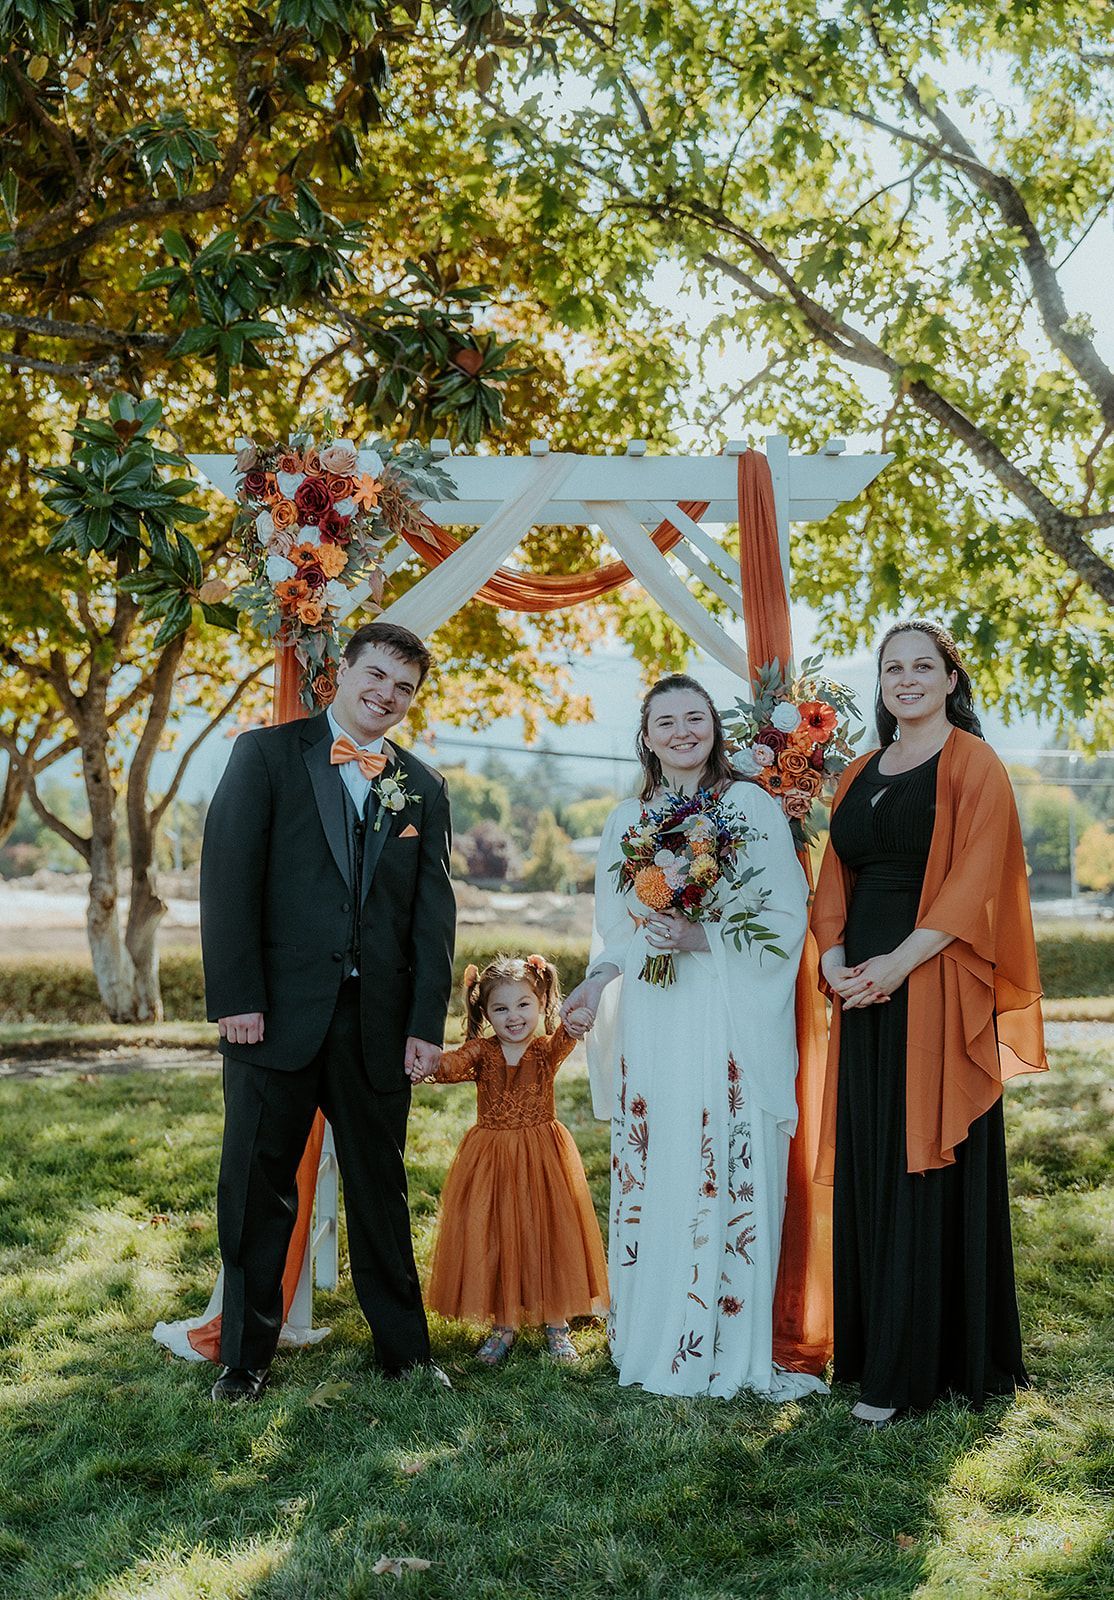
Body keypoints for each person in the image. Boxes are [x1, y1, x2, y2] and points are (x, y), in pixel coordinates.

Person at [199, 620, 455, 1401]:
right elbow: (227, 881)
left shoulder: (423, 786)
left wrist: (423, 1025)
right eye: (375, 676)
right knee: (255, 1186)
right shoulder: (265, 755)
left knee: (382, 1185)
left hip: (376, 1022)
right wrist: (236, 1000)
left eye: (403, 688)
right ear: (341, 672)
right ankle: (244, 1361)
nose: (386, 695)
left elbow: (431, 916)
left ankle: (405, 1355)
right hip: (272, 1016)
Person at [562, 674, 827, 1401]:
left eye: (695, 717)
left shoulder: (750, 806)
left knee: (722, 1148)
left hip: (726, 1008)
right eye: (666, 721)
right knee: (665, 1153)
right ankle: (654, 1335)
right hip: (654, 1010)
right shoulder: (626, 819)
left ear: (715, 727)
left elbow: (785, 917)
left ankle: (726, 1342)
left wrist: (702, 935)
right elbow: (615, 929)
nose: (682, 730)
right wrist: (595, 982)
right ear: (645, 737)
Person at [811, 620, 1046, 1426]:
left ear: (952, 679)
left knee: (924, 1160)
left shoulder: (975, 765)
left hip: (932, 978)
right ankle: (873, 1350)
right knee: (875, 1157)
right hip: (862, 986)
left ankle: (916, 1371)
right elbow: (832, 877)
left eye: (923, 666)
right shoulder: (856, 772)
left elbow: (976, 878)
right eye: (892, 668)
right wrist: (834, 960)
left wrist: (897, 965)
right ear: (880, 683)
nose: (906, 679)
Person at [411, 954, 607, 1364]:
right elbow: (448, 1066)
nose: (513, 1017)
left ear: (541, 1005)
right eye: (501, 1008)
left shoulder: (544, 1051)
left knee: (548, 1230)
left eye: (523, 1005)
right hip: (493, 1158)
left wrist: (578, 1022)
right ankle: (504, 1324)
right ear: (485, 1012)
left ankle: (557, 1323)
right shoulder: (482, 1053)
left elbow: (567, 1036)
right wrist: (425, 1062)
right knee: (500, 1232)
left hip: (542, 1158)